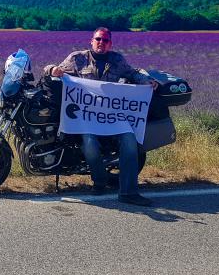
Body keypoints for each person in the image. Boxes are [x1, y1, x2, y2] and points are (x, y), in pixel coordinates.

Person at [47, 27, 157, 206]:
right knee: (89, 143)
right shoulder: (77, 58)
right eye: (98, 39)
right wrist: (53, 70)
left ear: (110, 44)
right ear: (91, 41)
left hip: (112, 116)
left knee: (130, 140)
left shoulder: (117, 60)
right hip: (87, 118)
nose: (101, 43)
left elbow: (133, 73)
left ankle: (129, 193)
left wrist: (147, 81)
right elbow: (51, 69)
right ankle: (100, 181)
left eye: (105, 40)